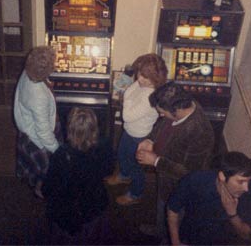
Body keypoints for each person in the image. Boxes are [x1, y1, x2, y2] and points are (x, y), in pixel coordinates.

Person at [136, 81, 214, 238]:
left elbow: (190, 173)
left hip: (178, 187)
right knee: (161, 207)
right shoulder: (184, 105)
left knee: (172, 215)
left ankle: (167, 238)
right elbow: (164, 123)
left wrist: (156, 161)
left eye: (162, 112)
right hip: (165, 179)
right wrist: (150, 140)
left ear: (177, 111)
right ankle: (160, 229)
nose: (160, 115)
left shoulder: (201, 132)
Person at [42, 107, 114, 245]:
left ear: (69, 128)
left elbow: (48, 187)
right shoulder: (105, 146)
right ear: (95, 127)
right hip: (94, 206)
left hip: (67, 211)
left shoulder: (61, 154)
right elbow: (108, 170)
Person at [106, 53, 168, 206]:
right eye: (139, 73)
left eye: (144, 76)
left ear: (155, 78)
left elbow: (127, 115)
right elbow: (130, 90)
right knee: (122, 154)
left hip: (140, 136)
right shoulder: (142, 84)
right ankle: (124, 175)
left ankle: (135, 193)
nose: (139, 78)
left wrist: (126, 97)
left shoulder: (151, 96)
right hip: (130, 131)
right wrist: (128, 95)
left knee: (135, 167)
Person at [167, 151, 251, 245]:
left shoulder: (249, 193)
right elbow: (173, 208)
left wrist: (232, 214)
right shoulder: (197, 180)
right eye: (240, 182)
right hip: (190, 237)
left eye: (248, 181)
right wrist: (175, 241)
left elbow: (247, 235)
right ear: (222, 176)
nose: (246, 188)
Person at [13, 45, 62, 199]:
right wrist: (58, 150)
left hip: (29, 127)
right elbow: (43, 132)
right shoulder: (38, 96)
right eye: (53, 64)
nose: (55, 65)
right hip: (38, 139)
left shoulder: (28, 71)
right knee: (48, 169)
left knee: (38, 168)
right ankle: (41, 190)